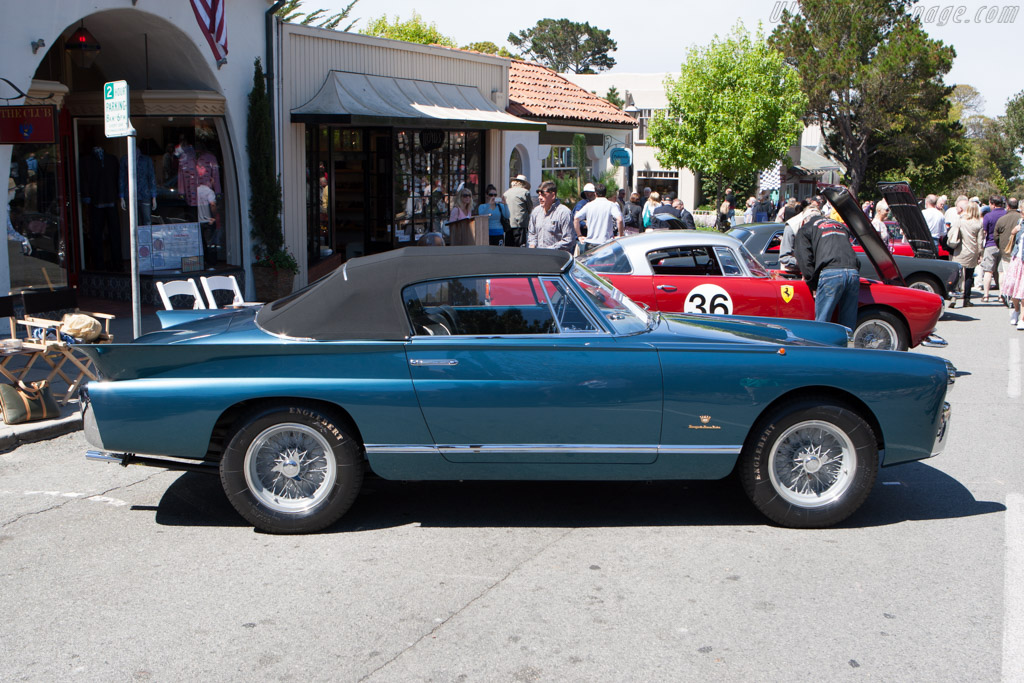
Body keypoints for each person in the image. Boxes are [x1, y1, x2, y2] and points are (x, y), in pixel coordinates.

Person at [794, 210, 861, 329]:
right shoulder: (840, 226)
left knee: (822, 322)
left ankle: (820, 346)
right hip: (853, 272)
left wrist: (813, 283)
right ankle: (846, 345)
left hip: (830, 273)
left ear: (804, 220)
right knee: (848, 323)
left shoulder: (805, 228)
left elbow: (805, 260)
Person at [946, 199, 986, 307]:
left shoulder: (961, 221)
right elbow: (980, 242)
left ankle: (953, 298)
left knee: (957, 276)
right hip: (972, 252)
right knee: (969, 276)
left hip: (959, 251)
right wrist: (980, 254)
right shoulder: (978, 224)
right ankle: (966, 299)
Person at [528, 180, 577, 253]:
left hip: (557, 257)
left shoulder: (564, 212)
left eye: (543, 195)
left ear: (553, 195)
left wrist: (549, 250)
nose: (540, 197)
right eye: (539, 195)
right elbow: (532, 233)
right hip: (538, 257)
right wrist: (532, 246)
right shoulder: (536, 212)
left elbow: (569, 239)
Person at [779, 195, 823, 273]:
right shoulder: (791, 227)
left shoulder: (821, 225)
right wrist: (805, 262)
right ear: (805, 221)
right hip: (793, 273)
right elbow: (784, 257)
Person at [575, 182, 622, 252]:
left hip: (590, 243)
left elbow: (576, 218)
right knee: (606, 263)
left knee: (591, 263)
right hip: (606, 242)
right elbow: (620, 219)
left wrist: (579, 235)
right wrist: (621, 235)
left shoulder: (589, 205)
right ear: (605, 193)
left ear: (595, 193)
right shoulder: (611, 205)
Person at [980, 195, 1007, 301]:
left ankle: (986, 295)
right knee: (1001, 271)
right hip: (1003, 246)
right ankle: (1001, 295)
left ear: (993, 204)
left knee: (988, 271)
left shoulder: (988, 216)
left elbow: (984, 232)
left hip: (990, 244)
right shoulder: (1006, 214)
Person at [995, 198, 1021, 300]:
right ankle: (1015, 295)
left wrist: (1001, 247)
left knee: (1005, 273)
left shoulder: (1002, 219)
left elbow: (996, 236)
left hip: (1006, 251)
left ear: (1008, 206)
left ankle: (1005, 295)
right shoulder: (1020, 218)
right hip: (1018, 253)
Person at [1002, 216, 1024, 328]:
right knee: (1013, 286)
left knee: (1023, 291)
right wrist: (1013, 232)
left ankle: (1022, 319)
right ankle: (1016, 310)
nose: (1022, 215)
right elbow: (1015, 242)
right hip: (1017, 259)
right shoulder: (1020, 222)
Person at [503, 174, 533, 247]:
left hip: (508, 223)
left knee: (509, 246)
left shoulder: (506, 193)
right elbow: (530, 207)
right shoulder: (525, 192)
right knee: (520, 247)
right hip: (520, 224)